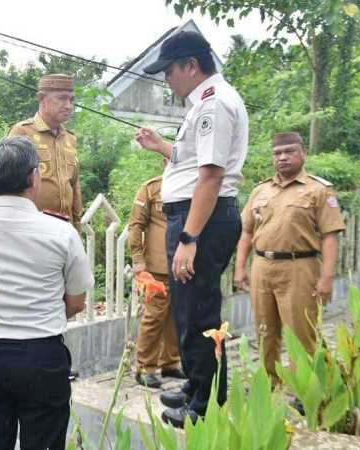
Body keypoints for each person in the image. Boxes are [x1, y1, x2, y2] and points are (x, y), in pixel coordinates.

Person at [0, 136, 94, 450]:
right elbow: (77, 301)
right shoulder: (61, 232)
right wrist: (39, 314)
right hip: (43, 357)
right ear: (33, 176)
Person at [135, 30, 248, 428]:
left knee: (198, 313)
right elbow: (192, 163)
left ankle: (205, 405)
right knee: (189, 310)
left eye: (169, 71)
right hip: (199, 216)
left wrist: (189, 237)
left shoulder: (213, 104)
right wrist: (161, 147)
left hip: (202, 219)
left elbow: (212, 176)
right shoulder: (204, 103)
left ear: (191, 65)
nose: (167, 80)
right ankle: (198, 385)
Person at [234, 132, 345, 381]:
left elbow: (329, 236)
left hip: (299, 268)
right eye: (277, 153)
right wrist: (240, 268)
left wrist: (327, 278)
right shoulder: (260, 190)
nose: (282, 157)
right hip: (262, 267)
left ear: (302, 153)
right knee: (264, 330)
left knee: (301, 332)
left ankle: (305, 387)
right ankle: (270, 382)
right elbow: (247, 231)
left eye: (289, 151)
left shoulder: (319, 190)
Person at [128, 171, 185, 388]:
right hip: (157, 267)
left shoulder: (193, 186)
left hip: (183, 266)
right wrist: (138, 259)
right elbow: (135, 225)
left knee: (177, 317)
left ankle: (170, 362)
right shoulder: (151, 188)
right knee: (154, 318)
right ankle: (145, 367)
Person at [8, 74, 83, 232]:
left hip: (64, 229)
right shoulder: (22, 132)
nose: (68, 106)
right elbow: (9, 183)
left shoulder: (70, 138)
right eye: (61, 98)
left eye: (71, 100)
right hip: (32, 229)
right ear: (41, 99)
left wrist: (77, 226)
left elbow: (74, 185)